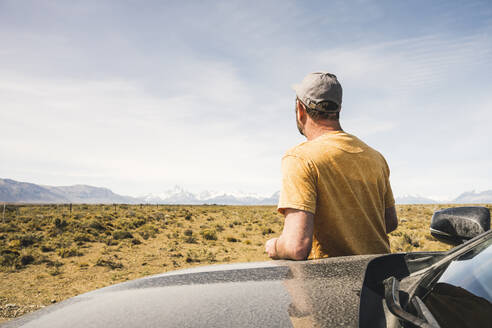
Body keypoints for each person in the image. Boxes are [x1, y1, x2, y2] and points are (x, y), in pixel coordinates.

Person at [265, 72, 398, 260]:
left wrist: (275, 246)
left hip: (330, 284)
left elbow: (296, 247)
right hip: (380, 280)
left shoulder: (300, 158)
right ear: (338, 109)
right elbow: (390, 222)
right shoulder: (375, 157)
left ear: (300, 109)